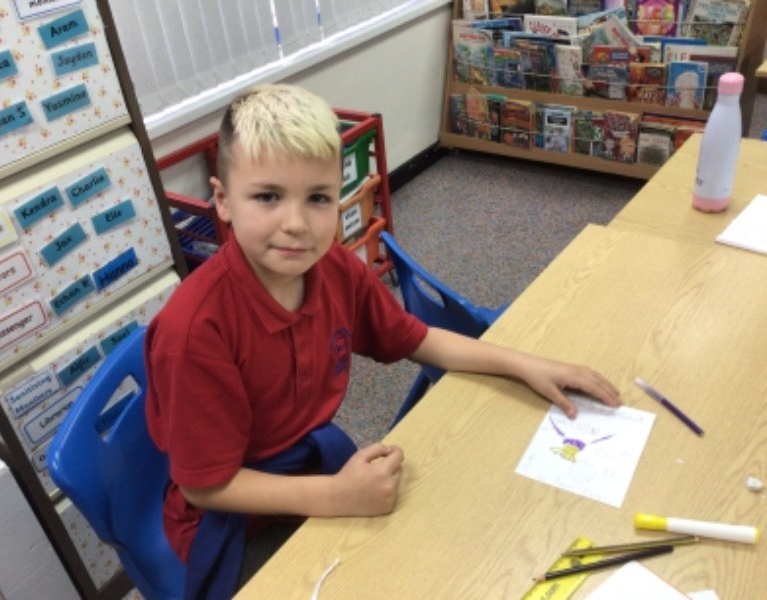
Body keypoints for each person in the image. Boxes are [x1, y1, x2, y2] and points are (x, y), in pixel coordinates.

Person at [145, 83, 621, 597]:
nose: (296, 224)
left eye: (318, 198)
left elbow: (417, 339)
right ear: (222, 200)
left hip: (312, 472)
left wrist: (523, 364)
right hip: (236, 521)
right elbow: (206, 485)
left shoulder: (332, 268)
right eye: (267, 197)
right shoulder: (195, 331)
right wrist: (336, 496)